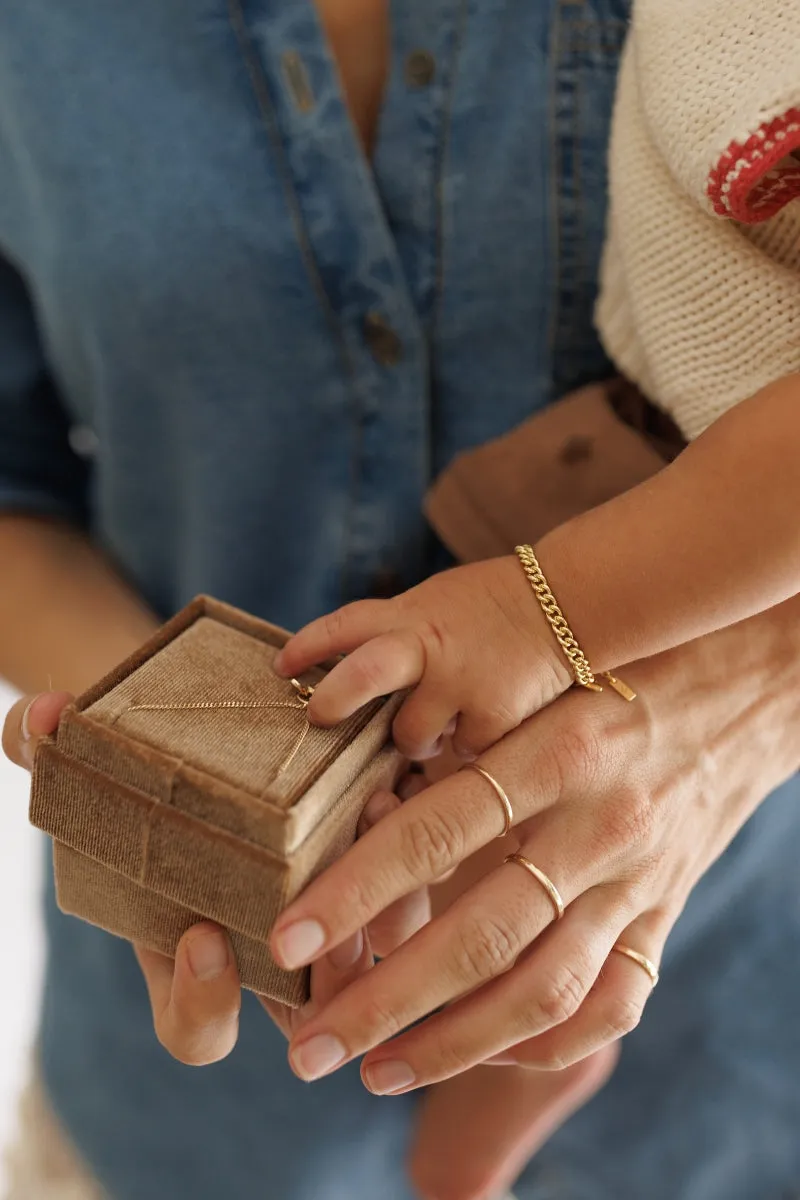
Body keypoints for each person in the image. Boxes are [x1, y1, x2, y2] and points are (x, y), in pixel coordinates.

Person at [1, 5, 800, 1200]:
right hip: (192, 1127)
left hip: (726, 1053)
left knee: (533, 1035)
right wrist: (178, 783)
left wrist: (690, 665)